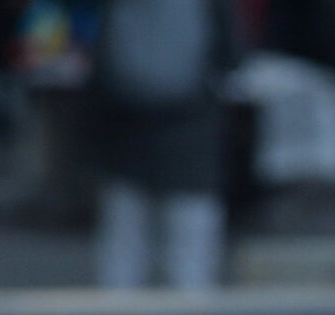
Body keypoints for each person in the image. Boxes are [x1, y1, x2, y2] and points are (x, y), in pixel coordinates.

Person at [88, 0, 242, 289]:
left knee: (124, 239)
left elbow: (98, 52)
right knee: (190, 241)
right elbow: (230, 57)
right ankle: (191, 314)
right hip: (191, 127)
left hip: (125, 126)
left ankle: (115, 313)